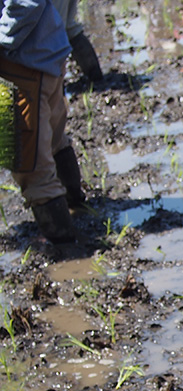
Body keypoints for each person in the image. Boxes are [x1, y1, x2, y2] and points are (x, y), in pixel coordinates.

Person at [0, 0, 79, 243]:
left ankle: (67, 252)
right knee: (53, 138)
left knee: (28, 163)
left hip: (23, 62)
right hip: (43, 51)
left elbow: (26, 2)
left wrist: (1, 39)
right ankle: (76, 204)